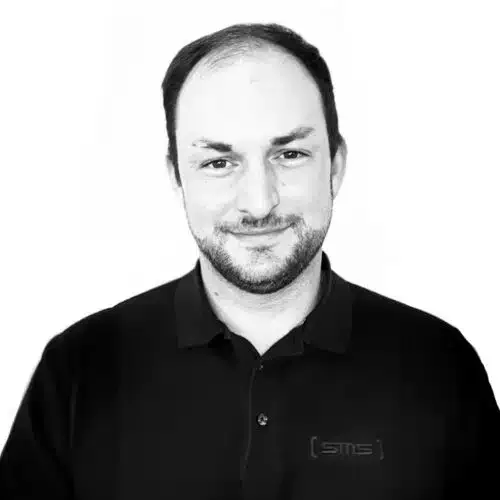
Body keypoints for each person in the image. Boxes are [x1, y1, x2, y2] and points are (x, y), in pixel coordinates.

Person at [0, 22, 498, 500]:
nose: (259, 203)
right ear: (177, 178)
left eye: (290, 155)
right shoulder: (79, 370)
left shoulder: (438, 366)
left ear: (336, 166)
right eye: (219, 162)